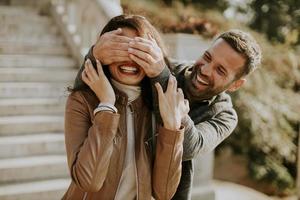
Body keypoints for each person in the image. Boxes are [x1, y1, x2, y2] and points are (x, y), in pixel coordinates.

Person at [92, 27, 262, 199]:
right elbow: (91, 84)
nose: (205, 70)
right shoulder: (165, 66)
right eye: (207, 57)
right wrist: (94, 55)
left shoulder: (225, 116)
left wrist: (161, 77)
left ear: (235, 85)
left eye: (220, 70)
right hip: (116, 186)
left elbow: (189, 147)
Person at [62, 15, 189, 200]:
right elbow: (88, 181)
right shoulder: (81, 101)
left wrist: (171, 129)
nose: (130, 59)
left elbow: (164, 193)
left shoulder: (157, 107)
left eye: (139, 50)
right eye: (120, 48)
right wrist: (106, 104)